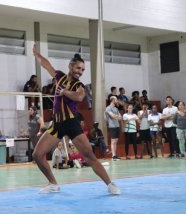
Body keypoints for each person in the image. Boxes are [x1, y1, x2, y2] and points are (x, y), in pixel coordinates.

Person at [32, 45, 120, 195]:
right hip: (57, 124)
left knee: (89, 156)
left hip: (72, 124)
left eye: (83, 70)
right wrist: (37, 55)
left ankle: (110, 184)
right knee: (37, 155)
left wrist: (65, 92)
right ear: (70, 66)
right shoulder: (59, 76)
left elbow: (79, 96)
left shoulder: (79, 86)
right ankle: (53, 184)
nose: (80, 72)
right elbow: (47, 65)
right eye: (78, 68)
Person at [105, 96, 122, 161]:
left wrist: (116, 116)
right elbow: (112, 116)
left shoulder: (116, 109)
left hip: (117, 126)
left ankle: (115, 155)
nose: (117, 101)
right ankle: (113, 156)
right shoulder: (108, 108)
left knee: (116, 141)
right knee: (113, 141)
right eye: (116, 99)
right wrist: (116, 116)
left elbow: (120, 117)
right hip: (112, 126)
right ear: (112, 100)